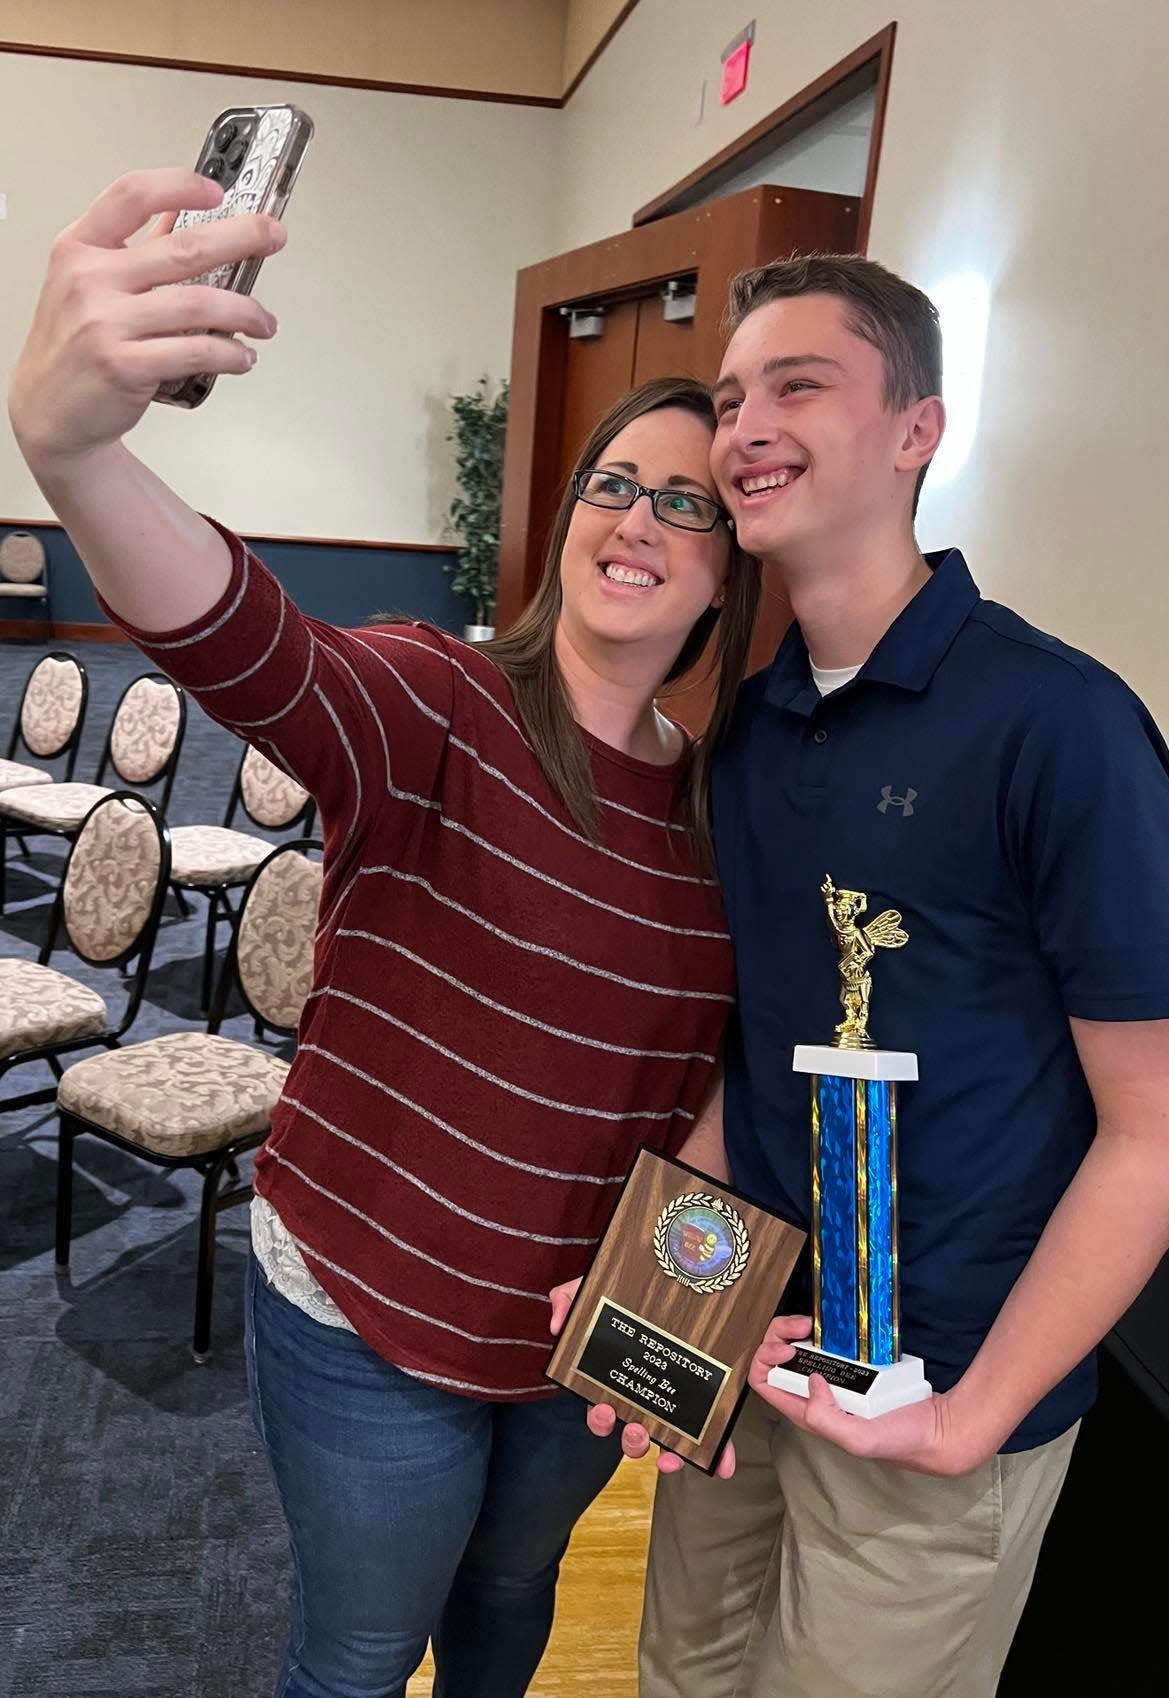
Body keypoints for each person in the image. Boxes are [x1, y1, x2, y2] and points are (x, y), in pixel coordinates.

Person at [8, 168, 762, 1698]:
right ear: (565, 519)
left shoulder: (732, 810)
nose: (641, 515)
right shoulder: (442, 698)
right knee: (357, 1657)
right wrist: (73, 454)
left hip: (575, 1339)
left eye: (689, 499)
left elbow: (706, 1081)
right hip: (370, 1312)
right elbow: (254, 643)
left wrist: (675, 1315)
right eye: (615, 481)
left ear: (728, 565)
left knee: (509, 1602)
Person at [555, 253, 1169, 1698]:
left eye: (799, 384)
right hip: (755, 1344)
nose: (746, 423)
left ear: (916, 431)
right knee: (679, 1671)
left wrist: (973, 1419)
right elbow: (753, 1062)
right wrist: (664, 1319)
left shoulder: (1059, 727)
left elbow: (1150, 1129)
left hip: (937, 1384)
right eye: (729, 395)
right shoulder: (756, 731)